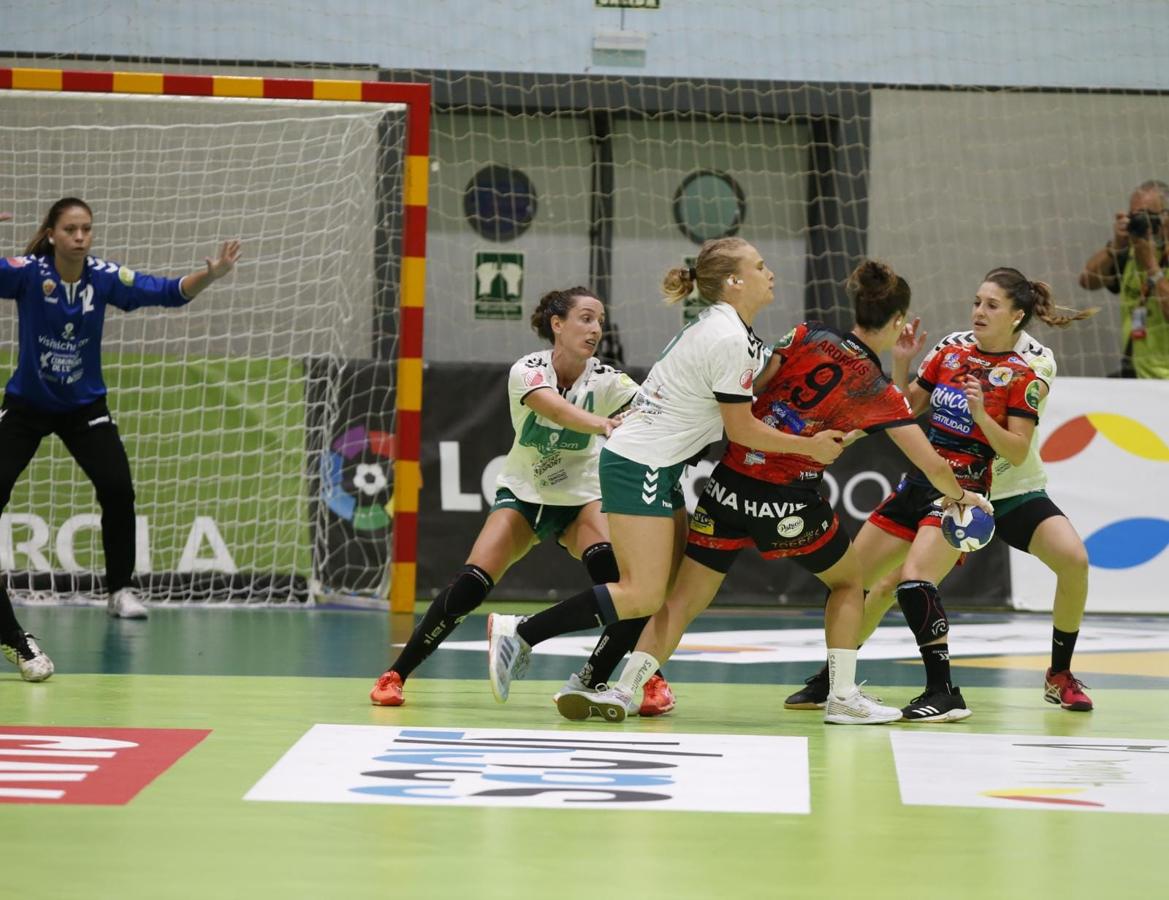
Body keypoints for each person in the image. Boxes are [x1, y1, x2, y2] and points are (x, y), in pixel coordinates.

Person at [555, 260, 991, 724]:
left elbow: (755, 388)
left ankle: (624, 689)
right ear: (899, 320)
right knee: (849, 583)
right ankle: (842, 696)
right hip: (787, 499)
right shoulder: (876, 389)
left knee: (681, 600)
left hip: (728, 484)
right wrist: (963, 496)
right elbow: (931, 463)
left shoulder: (806, 333)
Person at [486, 237, 845, 705]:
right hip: (642, 464)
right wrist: (809, 447)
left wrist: (794, 355)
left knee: (668, 590)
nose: (770, 272)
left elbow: (757, 377)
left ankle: (597, 682)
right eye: (760, 266)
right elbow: (742, 430)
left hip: (660, 463)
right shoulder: (728, 338)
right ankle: (521, 632)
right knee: (642, 594)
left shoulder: (730, 329)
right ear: (734, 281)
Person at [369, 286, 675, 707]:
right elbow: (553, 409)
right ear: (557, 324)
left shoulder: (607, 379)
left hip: (581, 499)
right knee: (469, 587)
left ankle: (651, 679)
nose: (595, 329)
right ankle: (395, 675)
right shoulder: (528, 370)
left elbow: (651, 410)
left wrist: (654, 413)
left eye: (600, 321)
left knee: (623, 586)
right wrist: (604, 424)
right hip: (525, 495)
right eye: (586, 318)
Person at [789, 304, 1100, 713]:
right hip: (951, 488)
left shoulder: (1035, 361)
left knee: (1074, 560)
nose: (978, 311)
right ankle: (836, 679)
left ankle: (1059, 674)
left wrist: (978, 412)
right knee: (885, 584)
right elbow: (906, 407)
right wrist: (901, 367)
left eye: (991, 304)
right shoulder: (952, 347)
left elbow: (1015, 438)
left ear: (1016, 314)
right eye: (977, 302)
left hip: (1010, 489)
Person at [0, 197, 241, 682]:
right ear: (52, 234)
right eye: (71, 229)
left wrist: (210, 275)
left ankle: (120, 589)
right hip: (27, 405)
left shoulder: (104, 277)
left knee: (117, 488)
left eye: (86, 229)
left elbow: (167, 292)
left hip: (84, 407)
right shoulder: (28, 273)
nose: (80, 237)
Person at [1078, 179, 1169, 378]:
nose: (1140, 222)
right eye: (1134, 216)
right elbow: (1087, 281)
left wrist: (1152, 266)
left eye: (1146, 216)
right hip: (1134, 371)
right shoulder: (1131, 252)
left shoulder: (1147, 256)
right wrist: (1116, 246)